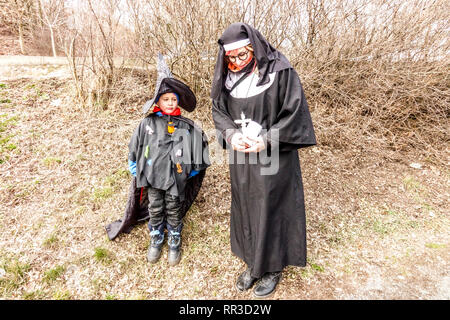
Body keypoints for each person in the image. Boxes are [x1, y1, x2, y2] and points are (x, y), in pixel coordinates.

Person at [211, 23, 316, 298]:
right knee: (246, 203)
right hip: (242, 155)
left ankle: (271, 268)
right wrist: (231, 136)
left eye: (241, 55)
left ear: (253, 48)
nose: (235, 62)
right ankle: (252, 264)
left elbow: (295, 114)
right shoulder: (227, 77)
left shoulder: (281, 71)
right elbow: (218, 109)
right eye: (230, 58)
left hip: (273, 155)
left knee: (271, 207)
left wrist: (267, 140)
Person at [128, 54, 210, 266]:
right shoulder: (147, 124)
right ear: (158, 100)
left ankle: (174, 239)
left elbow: (197, 147)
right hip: (153, 177)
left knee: (174, 208)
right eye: (166, 99)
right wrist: (135, 165)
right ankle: (156, 238)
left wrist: (188, 171)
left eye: (174, 99)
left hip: (175, 178)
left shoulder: (185, 126)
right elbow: (137, 145)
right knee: (155, 207)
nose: (170, 102)